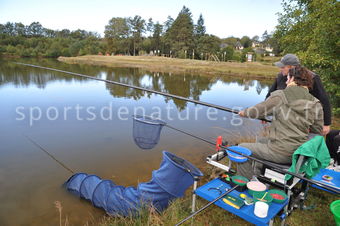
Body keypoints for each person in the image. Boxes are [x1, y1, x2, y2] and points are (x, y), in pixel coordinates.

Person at [237, 66, 324, 179]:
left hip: (280, 152)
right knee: (261, 140)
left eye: (287, 78)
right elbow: (317, 132)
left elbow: (256, 111)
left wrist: (243, 113)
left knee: (240, 149)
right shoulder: (316, 103)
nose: (286, 81)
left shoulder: (280, 96)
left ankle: (245, 184)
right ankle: (259, 176)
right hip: (299, 152)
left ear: (293, 79)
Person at [266, 54, 331, 135]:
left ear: (291, 67)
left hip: (305, 121)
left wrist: (326, 124)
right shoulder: (280, 76)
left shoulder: (312, 77)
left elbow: (324, 100)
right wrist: (265, 113)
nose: (280, 69)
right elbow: (270, 95)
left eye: (283, 67)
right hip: (283, 119)